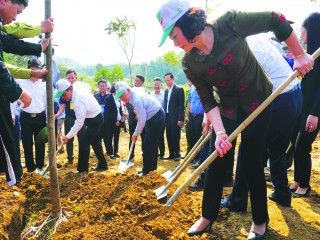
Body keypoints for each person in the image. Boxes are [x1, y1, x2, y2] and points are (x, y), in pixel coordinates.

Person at [156, 0, 314, 238]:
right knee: (216, 157)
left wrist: (300, 54)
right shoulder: (189, 63)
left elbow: (275, 19)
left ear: (187, 24)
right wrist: (219, 133)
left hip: (258, 101)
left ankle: (260, 221)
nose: (175, 43)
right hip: (227, 109)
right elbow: (208, 100)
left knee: (251, 160)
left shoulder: (228, 22)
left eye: (175, 36)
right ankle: (207, 216)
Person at [220, 35, 302, 211]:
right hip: (292, 96)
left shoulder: (248, 52)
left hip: (279, 98)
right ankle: (282, 193)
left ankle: (238, 199)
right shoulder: (254, 41)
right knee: (277, 148)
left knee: (249, 147)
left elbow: (248, 90)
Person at [0, 0, 51, 186]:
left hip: (39, 117)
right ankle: (14, 180)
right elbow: (13, 34)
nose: (14, 17)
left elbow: (8, 42)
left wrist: (38, 47)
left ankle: (16, 178)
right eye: (17, 11)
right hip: (25, 116)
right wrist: (18, 92)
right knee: (8, 137)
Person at [290, 12, 320, 198]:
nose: (300, 35)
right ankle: (298, 179)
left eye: (303, 31)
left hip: (314, 110)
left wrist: (315, 113)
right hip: (302, 107)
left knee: (302, 146)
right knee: (295, 141)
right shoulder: (310, 56)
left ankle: (305, 185)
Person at [55, 79, 108, 173]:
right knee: (95, 142)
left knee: (84, 143)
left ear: (70, 89)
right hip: (91, 116)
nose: (63, 97)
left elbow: (79, 122)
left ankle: (82, 170)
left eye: (64, 94)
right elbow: (86, 85)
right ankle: (103, 165)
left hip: (96, 119)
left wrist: (68, 136)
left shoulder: (78, 101)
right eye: (61, 95)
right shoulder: (76, 85)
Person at [115, 81, 165, 176]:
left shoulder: (136, 99)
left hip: (157, 117)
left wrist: (135, 134)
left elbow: (142, 120)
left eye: (123, 95)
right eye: (120, 97)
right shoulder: (132, 93)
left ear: (128, 90)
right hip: (152, 116)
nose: (122, 98)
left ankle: (147, 170)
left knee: (147, 145)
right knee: (151, 144)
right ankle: (152, 170)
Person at [15, 58, 47, 172]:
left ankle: (39, 166)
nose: (35, 72)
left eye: (37, 69)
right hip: (26, 117)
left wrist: (48, 118)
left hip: (40, 116)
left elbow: (47, 102)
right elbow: (15, 100)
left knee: (40, 142)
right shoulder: (20, 82)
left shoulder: (44, 84)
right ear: (28, 69)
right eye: (32, 69)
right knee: (27, 143)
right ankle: (30, 167)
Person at [54, 69, 87, 164]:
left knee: (82, 138)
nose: (71, 80)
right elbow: (62, 105)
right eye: (69, 78)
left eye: (72, 78)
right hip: (69, 117)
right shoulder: (63, 91)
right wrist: (57, 114)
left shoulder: (79, 90)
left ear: (76, 78)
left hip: (80, 117)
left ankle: (83, 158)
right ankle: (70, 158)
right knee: (68, 138)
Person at [163, 72, 185, 161]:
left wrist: (180, 118)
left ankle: (177, 153)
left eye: (168, 80)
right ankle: (171, 153)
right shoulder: (166, 91)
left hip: (175, 117)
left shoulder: (179, 90)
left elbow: (181, 106)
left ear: (173, 79)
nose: (167, 82)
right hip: (167, 116)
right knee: (168, 135)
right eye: (165, 81)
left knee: (175, 135)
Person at [94, 79, 117, 159]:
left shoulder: (110, 96)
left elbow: (114, 109)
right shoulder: (95, 96)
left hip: (108, 121)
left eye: (104, 86)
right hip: (98, 121)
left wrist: (114, 120)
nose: (102, 87)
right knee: (98, 137)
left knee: (108, 137)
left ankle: (110, 152)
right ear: (98, 87)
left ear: (106, 87)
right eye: (101, 86)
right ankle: (99, 152)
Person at [185, 80, 204, 167]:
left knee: (198, 137)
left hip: (201, 116)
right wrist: (187, 115)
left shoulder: (204, 87)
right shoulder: (192, 88)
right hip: (191, 116)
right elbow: (189, 102)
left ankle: (198, 158)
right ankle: (192, 157)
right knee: (191, 136)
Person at [127, 75, 146, 160]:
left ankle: (145, 153)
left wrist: (140, 114)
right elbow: (128, 103)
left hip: (142, 118)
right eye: (135, 80)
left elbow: (145, 105)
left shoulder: (145, 92)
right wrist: (135, 112)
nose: (136, 82)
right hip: (133, 118)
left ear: (142, 82)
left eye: (138, 81)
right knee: (132, 135)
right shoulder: (131, 91)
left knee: (144, 136)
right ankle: (131, 154)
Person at [150, 77, 165, 159]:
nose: (156, 86)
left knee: (161, 136)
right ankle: (155, 152)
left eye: (158, 84)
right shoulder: (151, 95)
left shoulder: (164, 94)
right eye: (155, 84)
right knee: (153, 136)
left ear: (161, 85)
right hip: (152, 119)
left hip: (161, 119)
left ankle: (162, 153)